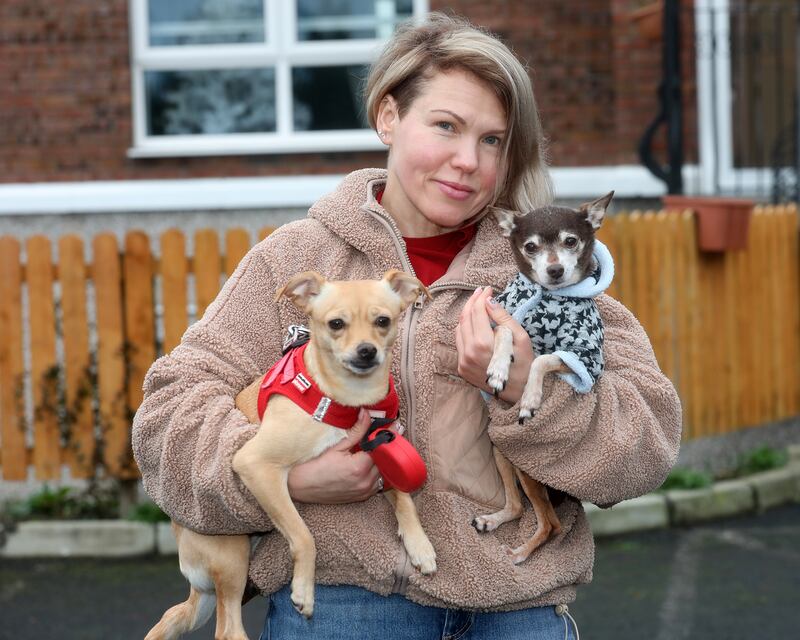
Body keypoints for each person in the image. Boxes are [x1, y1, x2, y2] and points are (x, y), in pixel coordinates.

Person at [132, 12, 681, 640]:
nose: (467, 161)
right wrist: (284, 478)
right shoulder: (298, 261)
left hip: (518, 609)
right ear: (388, 116)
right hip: (345, 607)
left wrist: (528, 386)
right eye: (445, 126)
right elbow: (168, 414)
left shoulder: (541, 272)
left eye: (493, 140)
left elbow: (645, 447)